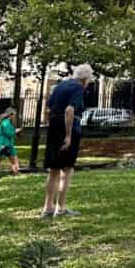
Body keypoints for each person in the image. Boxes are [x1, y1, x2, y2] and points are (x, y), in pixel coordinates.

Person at [40, 63, 94, 219]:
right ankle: (61, 208)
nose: (89, 82)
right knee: (67, 169)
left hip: (54, 127)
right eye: (89, 79)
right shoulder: (78, 88)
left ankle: (47, 207)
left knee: (53, 170)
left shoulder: (60, 86)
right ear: (84, 78)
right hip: (68, 127)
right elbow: (70, 110)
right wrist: (68, 135)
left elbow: (49, 108)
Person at [0, 107, 21, 175]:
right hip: (5, 144)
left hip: (4, 144)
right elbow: (8, 133)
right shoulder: (6, 122)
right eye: (14, 115)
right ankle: (17, 173)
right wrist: (16, 131)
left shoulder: (5, 121)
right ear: (11, 115)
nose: (15, 117)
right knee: (13, 159)